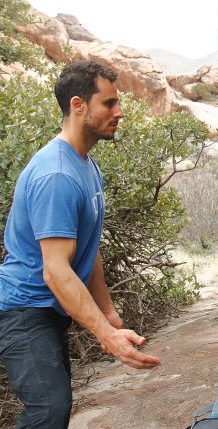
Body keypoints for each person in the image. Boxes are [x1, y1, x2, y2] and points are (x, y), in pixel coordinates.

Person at [0, 60, 160, 428]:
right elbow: (56, 270)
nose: (119, 112)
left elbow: (88, 250)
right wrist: (107, 336)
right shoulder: (56, 174)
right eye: (109, 103)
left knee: (54, 409)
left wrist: (107, 313)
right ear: (78, 105)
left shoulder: (84, 164)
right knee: (48, 412)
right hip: (24, 310)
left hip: (45, 309)